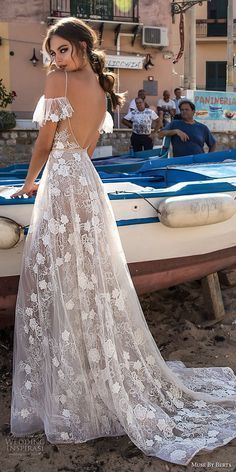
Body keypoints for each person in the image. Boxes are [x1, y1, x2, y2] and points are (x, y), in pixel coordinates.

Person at [10, 17, 236, 467]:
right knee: (87, 278)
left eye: (61, 49)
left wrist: (30, 183)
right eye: (51, 51)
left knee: (64, 279)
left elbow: (46, 140)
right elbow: (88, 145)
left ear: (78, 46)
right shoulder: (100, 86)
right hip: (86, 183)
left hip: (61, 183)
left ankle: (81, 383)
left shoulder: (59, 81)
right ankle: (93, 375)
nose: (55, 59)